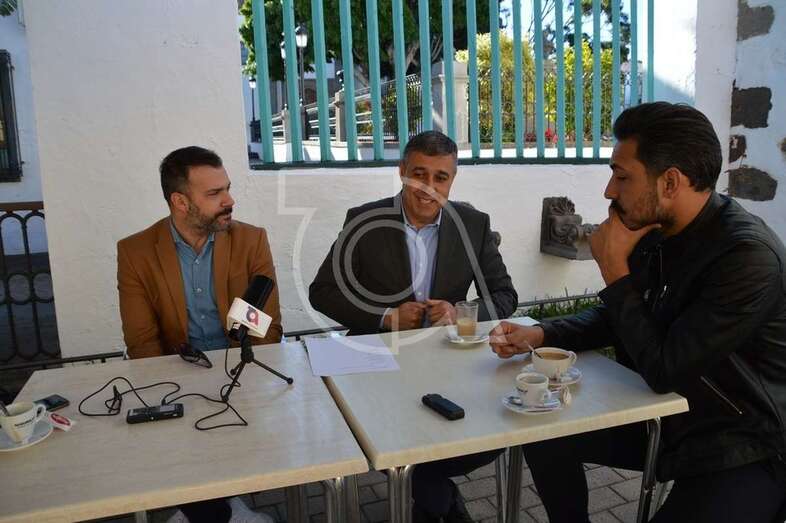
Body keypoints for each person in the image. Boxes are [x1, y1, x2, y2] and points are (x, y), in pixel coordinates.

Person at [490, 102, 786, 522]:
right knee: (544, 429)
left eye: (622, 176)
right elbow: (621, 317)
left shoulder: (746, 257)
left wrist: (614, 270)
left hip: (740, 439)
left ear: (670, 182)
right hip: (665, 418)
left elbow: (665, 368)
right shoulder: (657, 232)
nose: (609, 191)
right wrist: (541, 334)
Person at [310, 131, 518, 522]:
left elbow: (505, 295)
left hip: (447, 360)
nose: (428, 187)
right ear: (402, 171)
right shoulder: (364, 220)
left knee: (493, 432)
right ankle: (439, 503)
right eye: (419, 174)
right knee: (385, 436)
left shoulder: (473, 224)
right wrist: (385, 316)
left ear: (452, 179)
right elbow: (322, 292)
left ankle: (432, 497)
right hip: (379, 365)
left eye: (441, 177)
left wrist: (461, 313)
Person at [117, 146, 281, 523]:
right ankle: (220, 510)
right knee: (184, 442)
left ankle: (213, 510)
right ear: (180, 202)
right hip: (177, 377)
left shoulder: (251, 240)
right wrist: (179, 391)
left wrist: (241, 381)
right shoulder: (136, 252)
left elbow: (266, 326)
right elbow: (142, 342)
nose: (229, 200)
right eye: (214, 193)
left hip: (242, 371)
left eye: (228, 188)